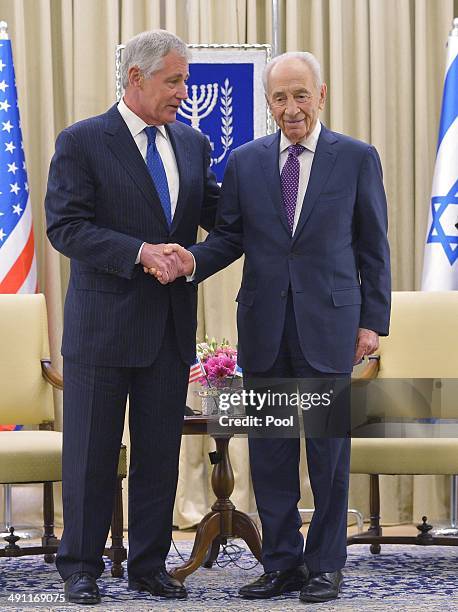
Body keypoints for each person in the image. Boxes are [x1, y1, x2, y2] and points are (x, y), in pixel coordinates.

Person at [150, 51, 391, 603]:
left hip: (329, 328)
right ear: (268, 102)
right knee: (272, 454)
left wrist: (373, 321)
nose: (291, 108)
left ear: (321, 94)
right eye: (279, 98)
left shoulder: (355, 158)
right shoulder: (246, 162)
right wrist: (189, 262)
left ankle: (326, 565)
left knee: (328, 455)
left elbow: (373, 246)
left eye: (300, 95)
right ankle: (282, 564)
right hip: (264, 328)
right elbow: (230, 237)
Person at [45, 30, 219, 605]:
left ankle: (147, 566)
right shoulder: (83, 141)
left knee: (159, 456)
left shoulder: (193, 144)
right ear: (136, 79)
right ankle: (81, 568)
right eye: (174, 81)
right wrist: (138, 253)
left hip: (168, 330)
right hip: (101, 329)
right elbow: (65, 227)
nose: (183, 91)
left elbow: (219, 218)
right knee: (91, 455)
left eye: (185, 80)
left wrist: (196, 257)